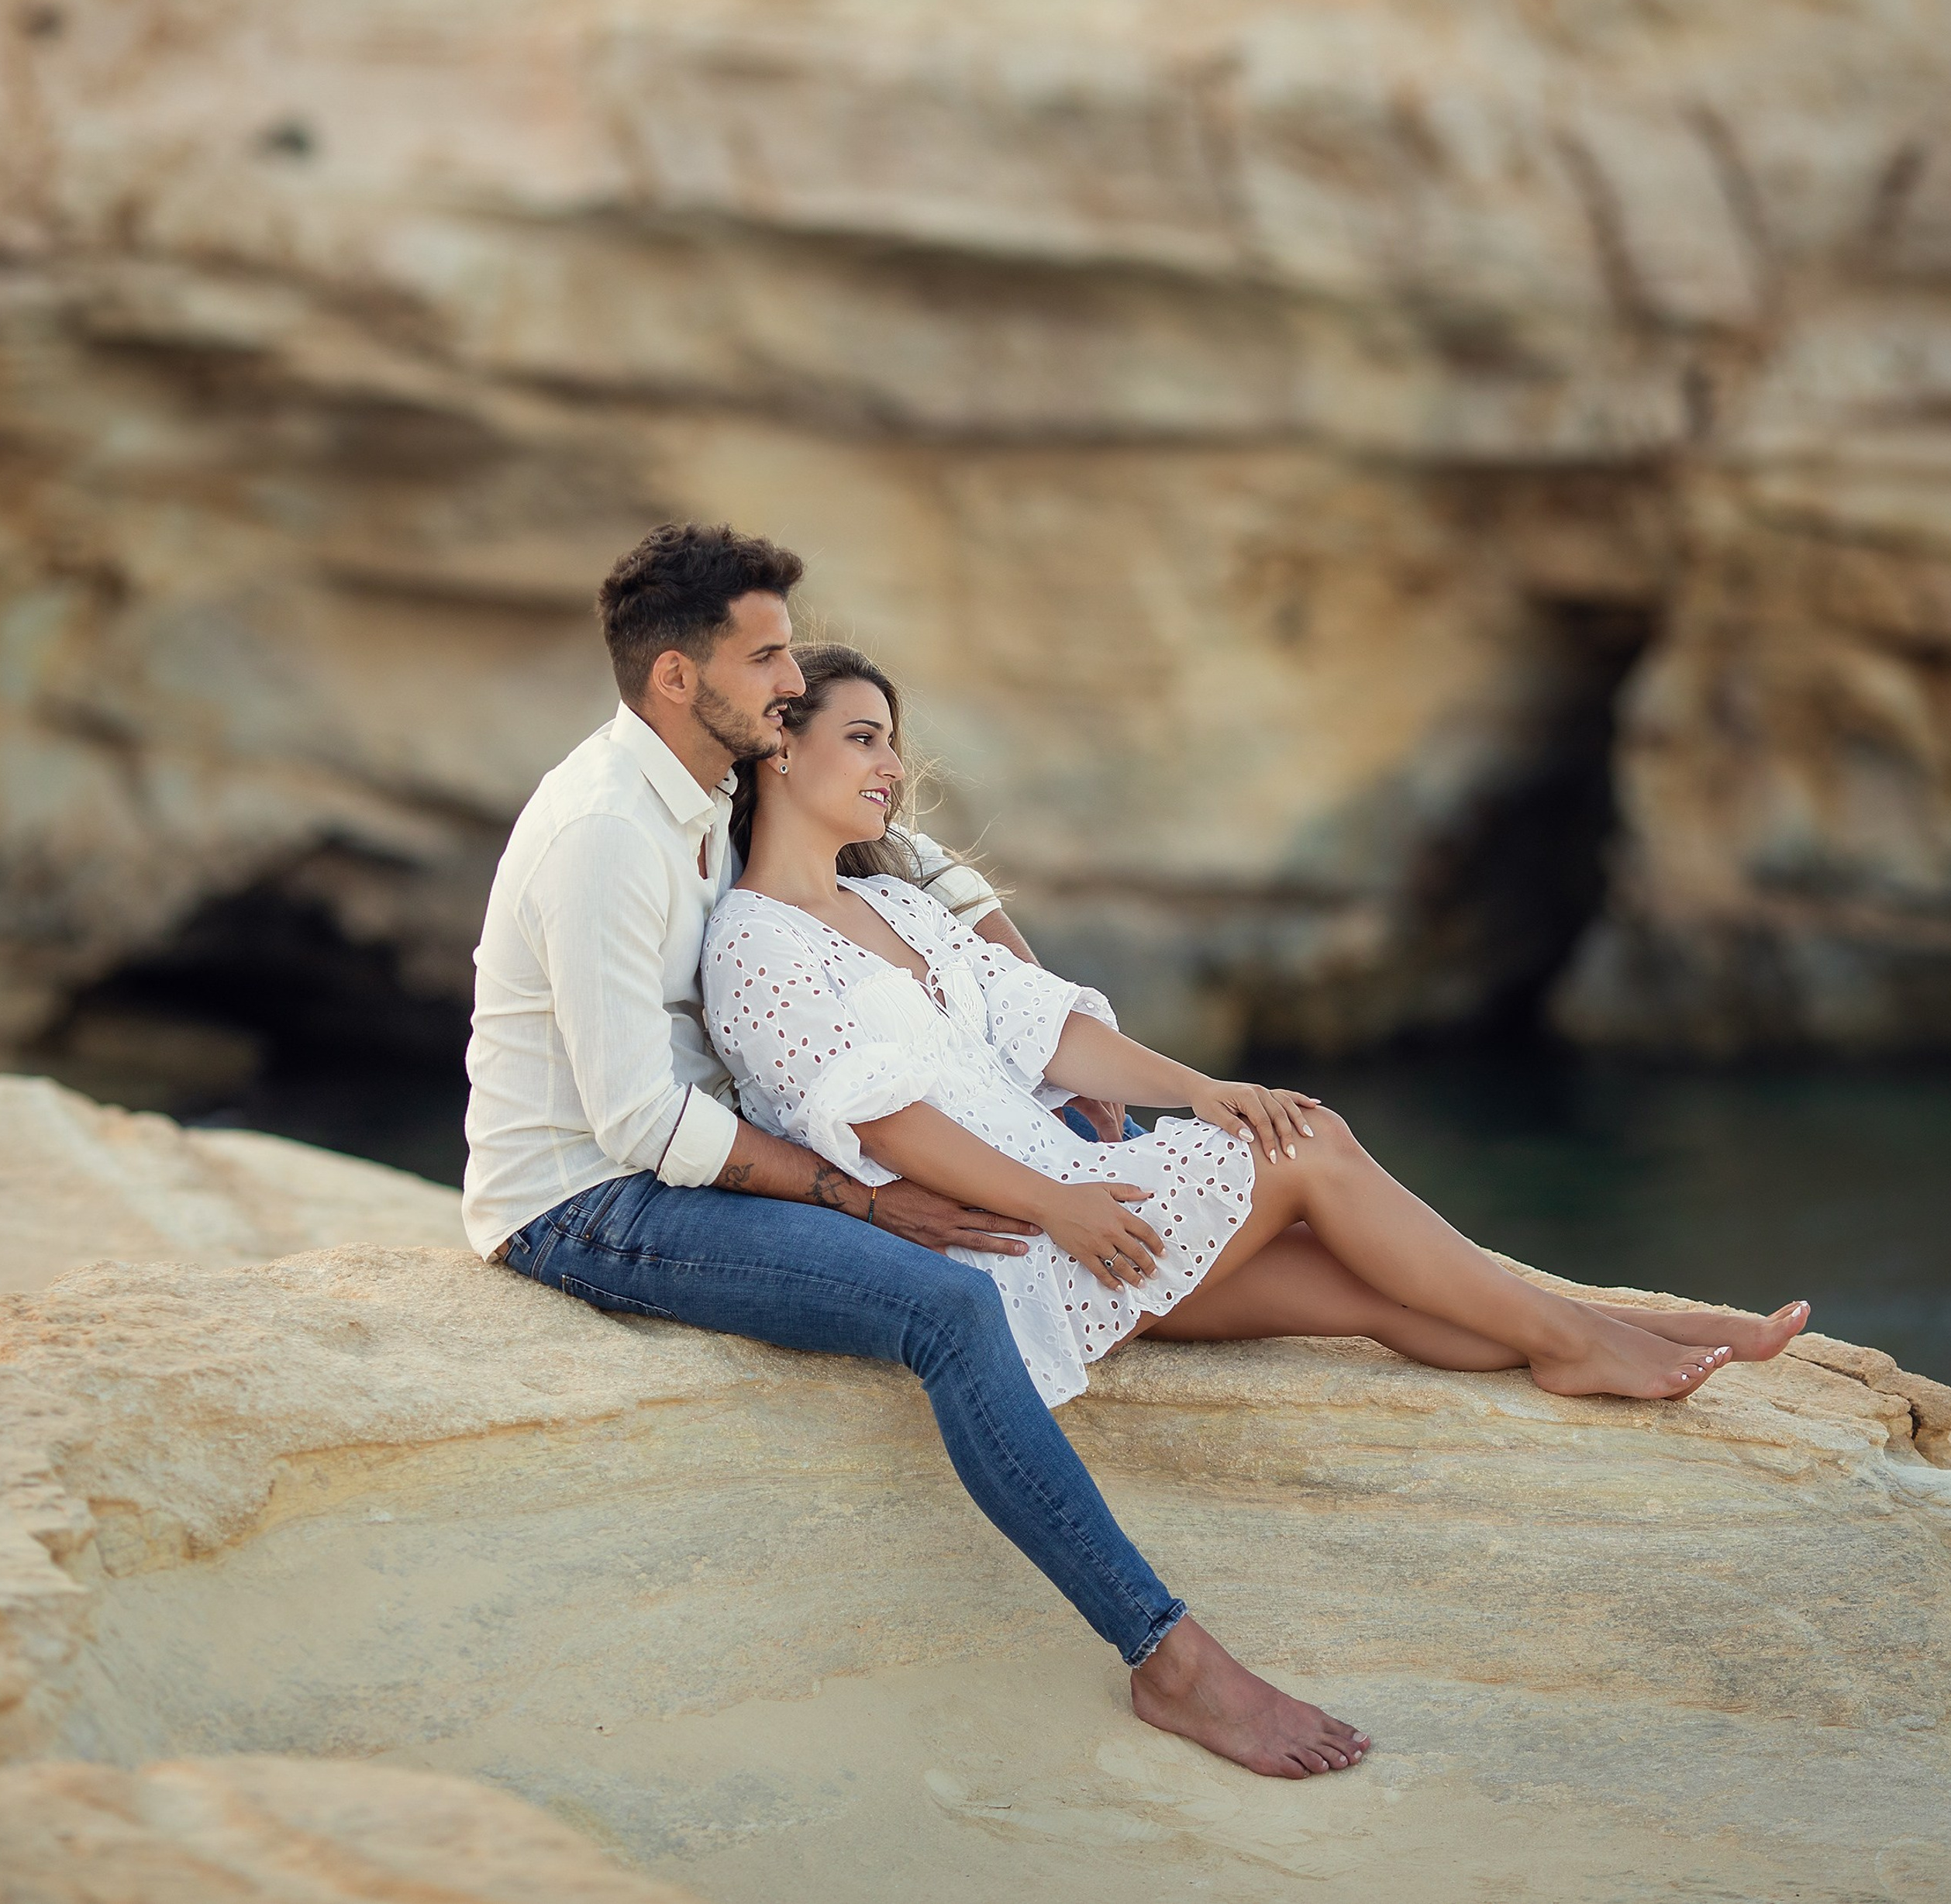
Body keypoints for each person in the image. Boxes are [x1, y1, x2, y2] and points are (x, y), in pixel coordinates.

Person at [463, 520, 1371, 1782]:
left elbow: (906, 853)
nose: (793, 682)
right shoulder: (610, 831)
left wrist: (1018, 994)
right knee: (946, 1307)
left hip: (692, 1158)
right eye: (768, 656)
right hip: (587, 1203)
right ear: (680, 679)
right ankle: (1171, 1661)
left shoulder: (706, 791)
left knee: (1031, 1209)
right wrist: (861, 1200)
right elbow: (643, 1126)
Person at [702, 642, 1816, 1415]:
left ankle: (1611, 1332)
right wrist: (1062, 1206)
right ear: (781, 750)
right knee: (1307, 1145)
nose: (894, 768)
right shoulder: (757, 942)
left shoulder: (895, 902)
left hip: (1084, 1209)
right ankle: (1588, 1340)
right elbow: (887, 1128)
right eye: (866, 739)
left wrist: (1199, 1093)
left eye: (893, 742)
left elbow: (1046, 1033)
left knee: (1374, 1297)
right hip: (1021, 1247)